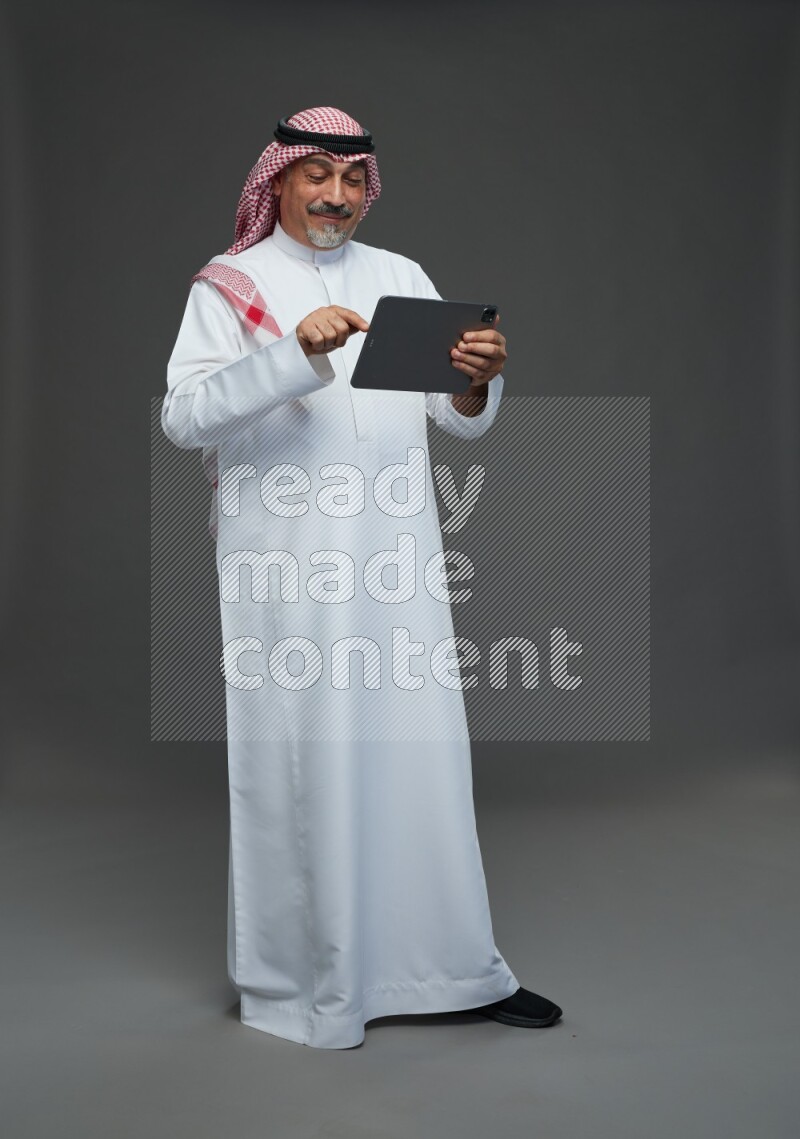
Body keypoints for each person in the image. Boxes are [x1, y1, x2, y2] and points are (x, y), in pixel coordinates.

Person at [161, 106, 562, 1048]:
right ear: (281, 180)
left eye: (352, 180)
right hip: (286, 572)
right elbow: (185, 418)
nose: (336, 196)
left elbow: (457, 421)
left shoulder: (401, 277)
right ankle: (312, 985)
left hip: (399, 565)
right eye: (316, 176)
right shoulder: (232, 286)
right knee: (312, 764)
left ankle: (455, 969)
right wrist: (292, 353)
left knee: (420, 761)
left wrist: (474, 379)